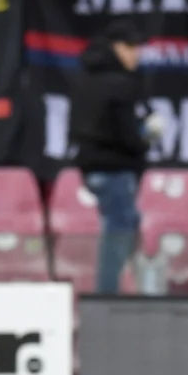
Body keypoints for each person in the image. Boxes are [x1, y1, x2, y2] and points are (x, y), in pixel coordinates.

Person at [69, 20, 160, 294]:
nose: (136, 54)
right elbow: (127, 135)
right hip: (115, 170)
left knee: (126, 226)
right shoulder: (121, 84)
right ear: (113, 48)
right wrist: (146, 136)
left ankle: (133, 288)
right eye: (129, 46)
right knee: (119, 231)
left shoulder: (85, 78)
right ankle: (107, 296)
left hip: (91, 170)